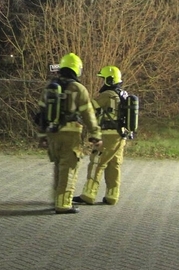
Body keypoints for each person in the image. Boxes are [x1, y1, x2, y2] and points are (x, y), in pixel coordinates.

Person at [40, 53, 101, 214]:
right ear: (76, 69)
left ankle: (57, 200)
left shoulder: (50, 86)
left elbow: (41, 113)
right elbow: (88, 113)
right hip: (70, 134)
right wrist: (95, 134)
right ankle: (64, 204)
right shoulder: (78, 88)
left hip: (52, 134)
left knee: (58, 167)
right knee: (69, 169)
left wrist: (42, 136)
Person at [75, 65, 129, 206]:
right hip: (120, 136)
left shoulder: (107, 95)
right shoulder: (123, 94)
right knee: (114, 166)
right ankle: (112, 196)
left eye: (103, 79)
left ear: (109, 80)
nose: (102, 82)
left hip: (107, 136)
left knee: (96, 163)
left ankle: (88, 194)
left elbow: (90, 108)